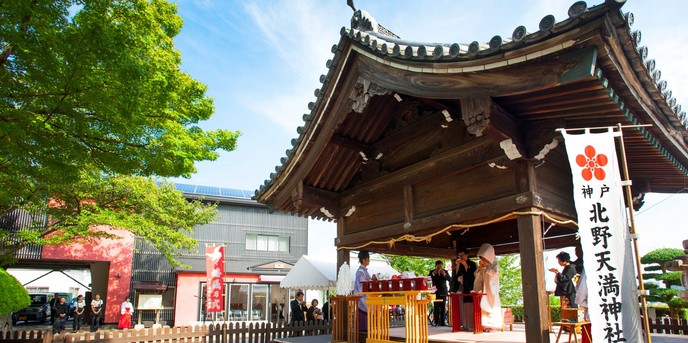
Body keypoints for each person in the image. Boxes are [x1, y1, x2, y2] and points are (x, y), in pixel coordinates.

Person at [472, 243, 502, 332]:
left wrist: (487, 270)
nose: (483, 259)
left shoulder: (494, 263)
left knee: (492, 305)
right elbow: (476, 274)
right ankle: (484, 325)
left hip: (491, 288)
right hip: (484, 287)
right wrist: (480, 269)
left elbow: (495, 274)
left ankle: (493, 326)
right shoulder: (482, 264)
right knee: (484, 305)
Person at [450, 248, 477, 331]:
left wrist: (465, 264)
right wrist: (457, 266)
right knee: (461, 306)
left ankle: (471, 326)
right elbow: (455, 276)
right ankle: (464, 325)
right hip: (460, 288)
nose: (460, 257)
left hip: (469, 287)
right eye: (459, 255)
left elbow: (471, 276)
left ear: (466, 255)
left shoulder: (472, 264)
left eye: (462, 255)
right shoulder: (459, 264)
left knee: (469, 306)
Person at [353, 250, 372, 331]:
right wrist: (366, 303)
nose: (369, 261)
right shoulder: (361, 272)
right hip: (362, 299)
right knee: (363, 327)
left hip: (363, 299)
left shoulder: (363, 271)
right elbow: (362, 288)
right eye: (368, 259)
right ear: (364, 260)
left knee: (365, 326)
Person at [428, 260, 450, 326]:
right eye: (438, 265)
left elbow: (450, 279)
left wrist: (445, 274)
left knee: (443, 307)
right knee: (436, 306)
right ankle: (436, 321)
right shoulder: (432, 272)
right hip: (435, 291)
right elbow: (428, 278)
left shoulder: (445, 271)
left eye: (440, 265)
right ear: (435, 266)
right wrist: (434, 274)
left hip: (443, 291)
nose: (439, 267)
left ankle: (443, 322)